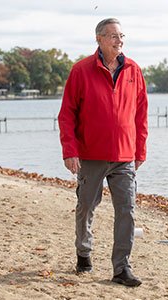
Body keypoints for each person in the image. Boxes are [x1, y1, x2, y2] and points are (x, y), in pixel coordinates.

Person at [58, 18, 148, 287]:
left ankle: (121, 268)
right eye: (112, 36)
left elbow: (141, 114)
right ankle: (83, 252)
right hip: (91, 154)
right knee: (86, 206)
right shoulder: (81, 70)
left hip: (124, 156)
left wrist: (140, 149)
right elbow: (67, 115)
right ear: (98, 39)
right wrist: (69, 151)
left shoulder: (134, 70)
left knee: (127, 210)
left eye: (121, 35)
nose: (119, 40)